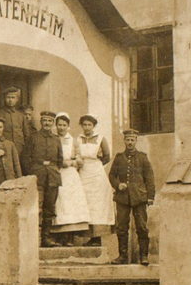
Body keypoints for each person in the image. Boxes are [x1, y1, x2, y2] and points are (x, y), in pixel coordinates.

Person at [108, 129, 155, 265]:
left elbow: (149, 179)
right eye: (127, 140)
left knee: (142, 227)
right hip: (122, 198)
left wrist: (150, 196)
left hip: (139, 197)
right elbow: (111, 175)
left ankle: (144, 256)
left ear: (136, 141)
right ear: (124, 141)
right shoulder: (118, 157)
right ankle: (122, 256)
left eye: (132, 140)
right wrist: (117, 185)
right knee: (121, 227)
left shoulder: (142, 157)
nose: (129, 142)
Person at [23, 110, 63, 247]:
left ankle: (45, 239)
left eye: (50, 121)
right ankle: (32, 239)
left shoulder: (56, 139)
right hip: (37, 176)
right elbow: (26, 158)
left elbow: (60, 159)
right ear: (41, 122)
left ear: (53, 123)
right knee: (36, 207)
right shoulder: (33, 137)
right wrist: (32, 173)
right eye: (45, 120)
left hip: (52, 177)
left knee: (50, 208)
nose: (47, 123)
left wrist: (53, 170)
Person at [76, 114, 114, 245]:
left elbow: (107, 156)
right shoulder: (78, 139)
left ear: (93, 126)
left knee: (97, 204)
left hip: (96, 173)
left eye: (89, 125)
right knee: (85, 202)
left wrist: (96, 165)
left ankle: (97, 237)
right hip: (83, 172)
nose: (87, 127)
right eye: (84, 125)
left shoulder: (100, 139)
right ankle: (86, 235)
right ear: (81, 126)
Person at [52, 113, 89, 240]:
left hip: (70, 175)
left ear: (68, 126)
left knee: (71, 203)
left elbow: (80, 159)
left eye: (64, 125)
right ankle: (58, 235)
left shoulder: (72, 141)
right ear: (56, 126)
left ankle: (70, 237)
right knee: (59, 202)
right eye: (59, 125)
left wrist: (73, 162)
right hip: (57, 173)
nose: (61, 127)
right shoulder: (53, 138)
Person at [0, 86, 31, 154]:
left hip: (19, 148)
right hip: (4, 148)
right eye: (8, 97)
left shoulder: (21, 115)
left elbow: (26, 134)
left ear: (17, 99)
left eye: (13, 97)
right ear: (4, 99)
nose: (10, 100)